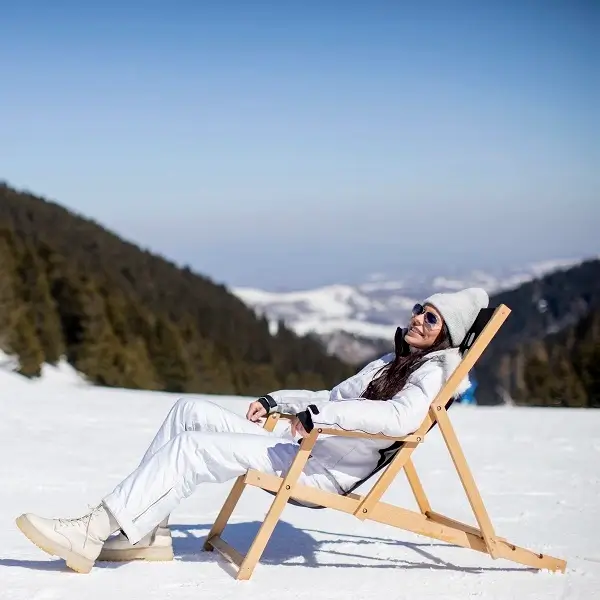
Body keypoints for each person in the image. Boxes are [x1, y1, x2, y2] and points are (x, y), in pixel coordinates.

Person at [16, 287, 489, 574]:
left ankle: (95, 530)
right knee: (188, 413)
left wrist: (320, 420)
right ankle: (148, 533)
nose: (418, 319)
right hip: (301, 445)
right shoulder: (390, 362)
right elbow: (331, 397)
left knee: (192, 448)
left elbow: (399, 420)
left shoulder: (429, 373)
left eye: (432, 318)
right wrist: (278, 402)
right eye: (419, 309)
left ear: (447, 335)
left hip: (315, 470)